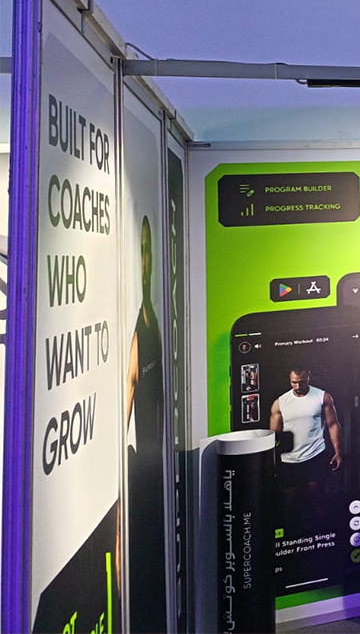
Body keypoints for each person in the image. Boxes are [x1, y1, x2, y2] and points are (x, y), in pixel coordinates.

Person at [123, 215, 166, 633]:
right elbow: (129, 390)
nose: (146, 260)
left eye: (148, 250)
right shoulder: (137, 328)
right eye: (141, 252)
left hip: (161, 465)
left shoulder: (156, 319)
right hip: (142, 473)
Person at [270, 367, 343, 516]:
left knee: (315, 498)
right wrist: (271, 462)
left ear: (309, 377)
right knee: (290, 501)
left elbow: (333, 425)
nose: (297, 386)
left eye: (302, 382)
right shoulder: (280, 403)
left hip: (315, 454)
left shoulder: (322, 397)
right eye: (294, 382)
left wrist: (338, 452)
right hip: (289, 459)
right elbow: (273, 436)